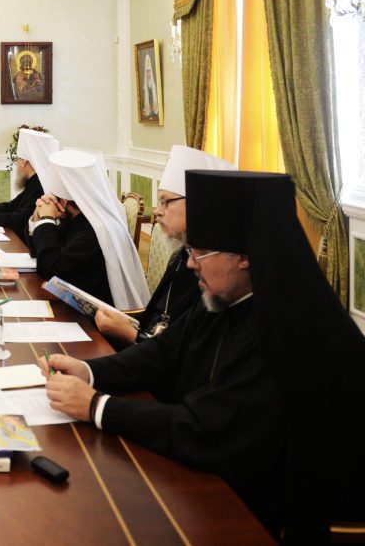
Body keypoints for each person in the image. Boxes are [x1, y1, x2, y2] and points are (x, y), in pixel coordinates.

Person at [40, 170, 365, 539]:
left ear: (244, 256)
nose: (190, 262)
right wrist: (88, 372)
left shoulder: (287, 327)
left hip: (279, 518)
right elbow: (159, 354)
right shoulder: (225, 296)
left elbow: (207, 428)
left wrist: (96, 406)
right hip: (229, 478)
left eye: (199, 251)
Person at [96, 146, 235, 347]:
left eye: (165, 202)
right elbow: (159, 315)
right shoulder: (180, 256)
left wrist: (132, 335)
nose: (157, 211)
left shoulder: (212, 269)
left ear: (196, 204)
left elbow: (184, 348)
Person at [30, 150, 149, 309]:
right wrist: (38, 218)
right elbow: (40, 253)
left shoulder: (94, 231)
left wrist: (47, 219)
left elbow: (50, 268)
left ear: (63, 202)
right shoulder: (77, 220)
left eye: (53, 196)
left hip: (95, 314)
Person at [0, 128, 58, 245]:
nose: (17, 164)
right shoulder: (33, 181)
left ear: (24, 162)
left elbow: (20, 219)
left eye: (17, 160)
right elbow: (11, 206)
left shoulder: (40, 186)